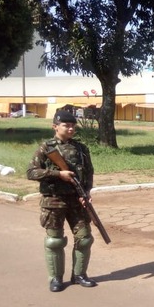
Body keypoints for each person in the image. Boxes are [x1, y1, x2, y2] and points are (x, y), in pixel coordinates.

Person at [27, 110, 97, 292]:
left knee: (85, 239)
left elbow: (88, 172)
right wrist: (58, 174)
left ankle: (80, 275)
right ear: (55, 127)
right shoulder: (46, 148)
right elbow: (31, 172)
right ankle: (56, 279)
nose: (71, 128)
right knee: (55, 241)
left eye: (73, 125)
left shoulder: (81, 149)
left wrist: (86, 192)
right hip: (54, 201)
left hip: (77, 201)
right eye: (66, 125)